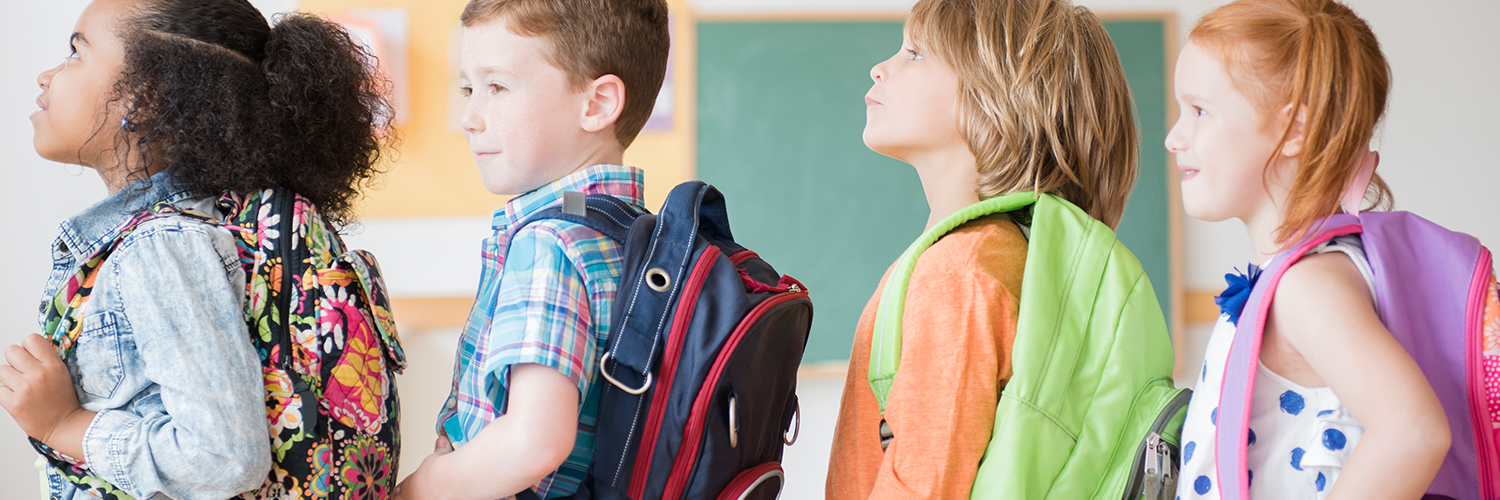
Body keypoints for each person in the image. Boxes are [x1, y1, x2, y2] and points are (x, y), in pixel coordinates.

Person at [3, 0, 393, 498]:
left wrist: (61, 424)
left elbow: (223, 459)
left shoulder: (160, 246)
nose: (45, 75)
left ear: (144, 98)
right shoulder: (211, 224)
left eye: (76, 53)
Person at [825, 0, 1141, 497]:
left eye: (916, 54)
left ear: (997, 100)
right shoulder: (1019, 253)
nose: (880, 68)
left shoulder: (957, 274)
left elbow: (928, 484)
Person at [1168, 1, 1450, 498]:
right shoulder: (1301, 274)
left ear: (1295, 129)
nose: (1174, 137)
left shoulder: (1307, 286)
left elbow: (1414, 432)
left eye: (1199, 111)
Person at [392, 0, 668, 498]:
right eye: (467, 89)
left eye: (496, 86)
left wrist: (416, 489)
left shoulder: (551, 242)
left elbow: (533, 442)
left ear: (598, 104)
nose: (469, 118)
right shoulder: (634, 233)